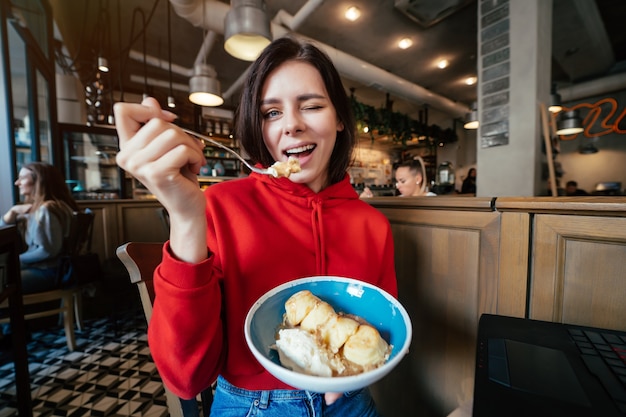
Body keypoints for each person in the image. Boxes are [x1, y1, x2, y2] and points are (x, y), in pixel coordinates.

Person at [114, 37, 397, 416]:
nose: (292, 125)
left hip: (349, 403)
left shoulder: (372, 225)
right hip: (253, 403)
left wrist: (356, 375)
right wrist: (185, 218)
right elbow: (186, 378)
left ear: (340, 118)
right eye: (271, 113)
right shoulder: (219, 205)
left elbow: (384, 332)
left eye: (311, 106)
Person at [0, 162, 78, 343]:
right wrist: (12, 212)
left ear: (38, 181)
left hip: (49, 272)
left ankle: (13, 333)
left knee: (4, 281)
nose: (17, 183)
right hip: (53, 270)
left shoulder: (46, 210)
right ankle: (13, 329)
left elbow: (48, 251)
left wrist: (16, 260)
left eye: (22, 178)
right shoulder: (46, 208)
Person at [360, 157, 435, 198]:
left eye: (402, 181)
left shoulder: (432, 199)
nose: (398, 186)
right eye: (397, 181)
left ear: (418, 179)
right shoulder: (399, 199)